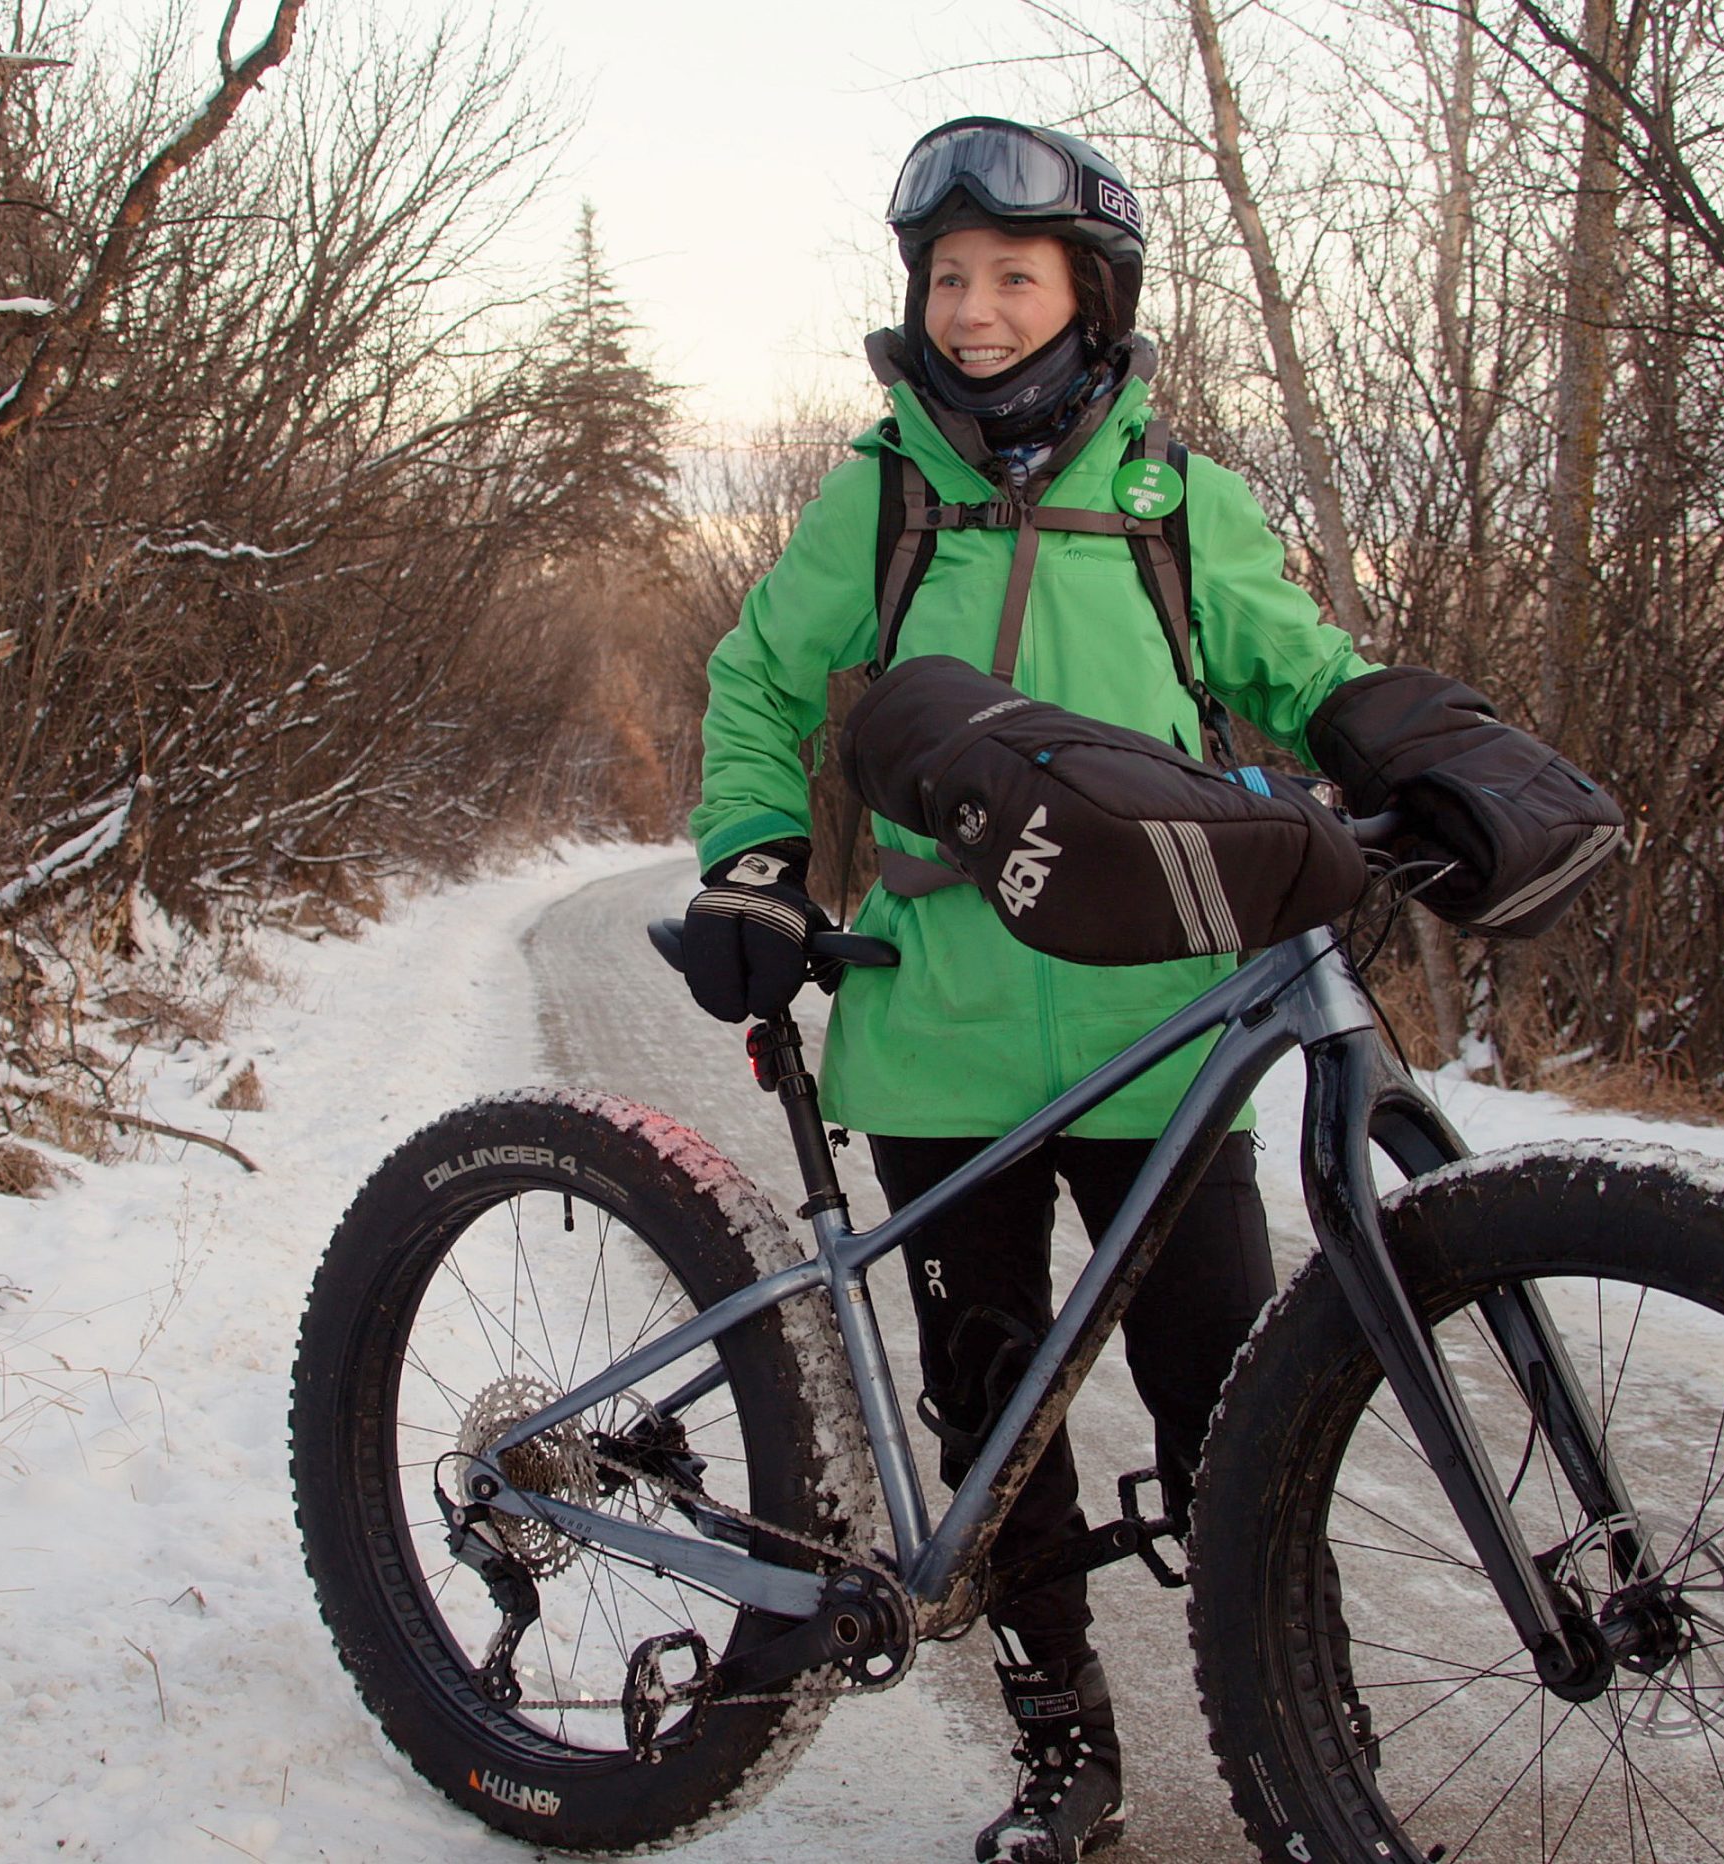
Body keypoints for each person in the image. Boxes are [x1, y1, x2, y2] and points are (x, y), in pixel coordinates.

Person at [680, 117, 1420, 1864]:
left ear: (1092, 293)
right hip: (940, 1032)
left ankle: (1315, 1727)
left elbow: (1295, 666)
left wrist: (1407, 741)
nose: (976, 308)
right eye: (948, 277)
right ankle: (1059, 1741)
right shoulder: (880, 493)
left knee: (1240, 1402)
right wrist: (757, 857)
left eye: (1015, 275)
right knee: (993, 1411)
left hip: (1163, 1035)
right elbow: (757, 682)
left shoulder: (1177, 500)